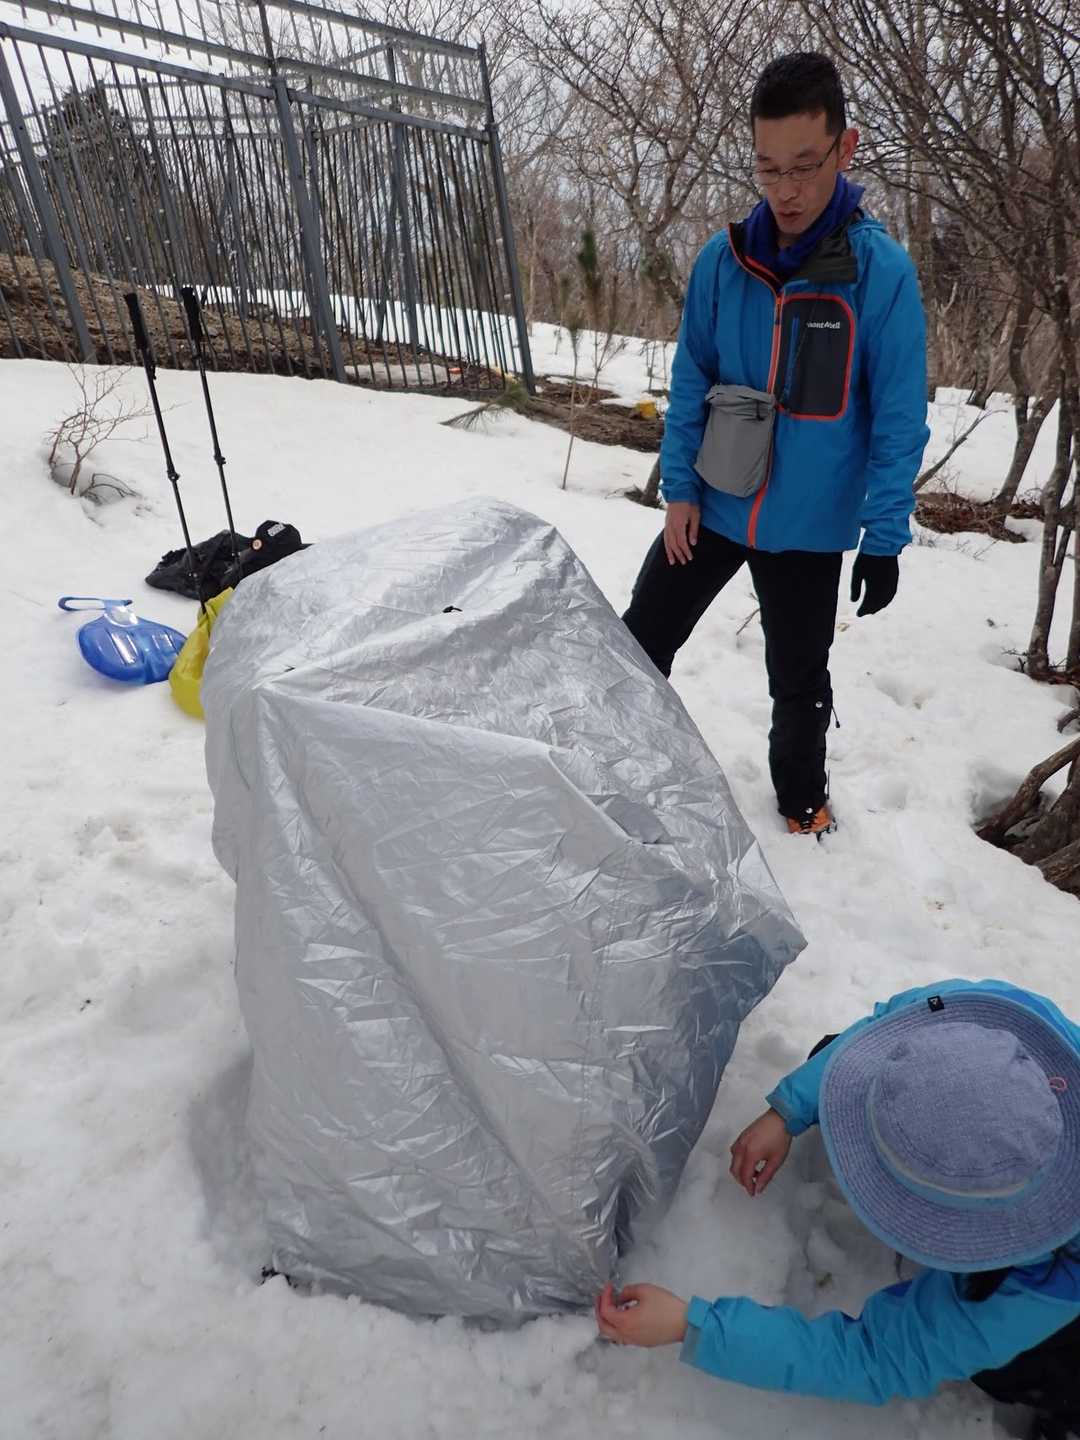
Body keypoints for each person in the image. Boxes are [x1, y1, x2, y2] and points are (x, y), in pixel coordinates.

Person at [622, 52, 931, 835]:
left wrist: (884, 537)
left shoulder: (880, 274)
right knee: (639, 637)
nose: (785, 190)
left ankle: (802, 802)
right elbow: (691, 376)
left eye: (803, 165)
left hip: (809, 527)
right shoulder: (723, 261)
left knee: (799, 680)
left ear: (845, 148)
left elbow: (899, 418)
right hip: (714, 502)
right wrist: (680, 491)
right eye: (767, 168)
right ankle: (607, 756)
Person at [595, 979, 1080, 1438]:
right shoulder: (995, 1018)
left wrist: (692, 1325)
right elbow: (885, 1027)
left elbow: (875, 1358)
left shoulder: (1039, 1287)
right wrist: (789, 1109)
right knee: (830, 1058)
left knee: (1018, 1366)